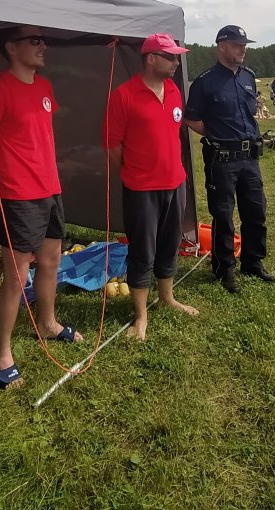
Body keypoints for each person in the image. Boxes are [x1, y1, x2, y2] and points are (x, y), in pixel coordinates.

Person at [0, 24, 83, 391]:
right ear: (11, 48)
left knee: (51, 262)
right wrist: (13, 178)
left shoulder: (45, 87)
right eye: (34, 40)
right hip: (19, 197)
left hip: (50, 191)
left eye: (43, 40)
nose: (42, 45)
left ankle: (48, 324)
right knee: (16, 278)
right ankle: (3, 353)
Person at [103, 33, 199, 340]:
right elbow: (112, 145)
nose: (175, 62)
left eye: (176, 57)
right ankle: (141, 316)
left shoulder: (173, 90)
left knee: (170, 243)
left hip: (176, 183)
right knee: (143, 250)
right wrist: (134, 171)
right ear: (151, 59)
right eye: (170, 57)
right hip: (141, 188)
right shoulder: (123, 95)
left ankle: (167, 297)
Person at [184, 25, 275, 294]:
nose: (243, 49)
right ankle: (224, 269)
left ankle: (253, 262)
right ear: (222, 46)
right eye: (238, 44)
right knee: (223, 215)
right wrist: (215, 134)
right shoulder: (205, 82)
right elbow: (191, 117)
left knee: (255, 211)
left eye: (245, 44)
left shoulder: (248, 77)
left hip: (250, 158)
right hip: (222, 159)